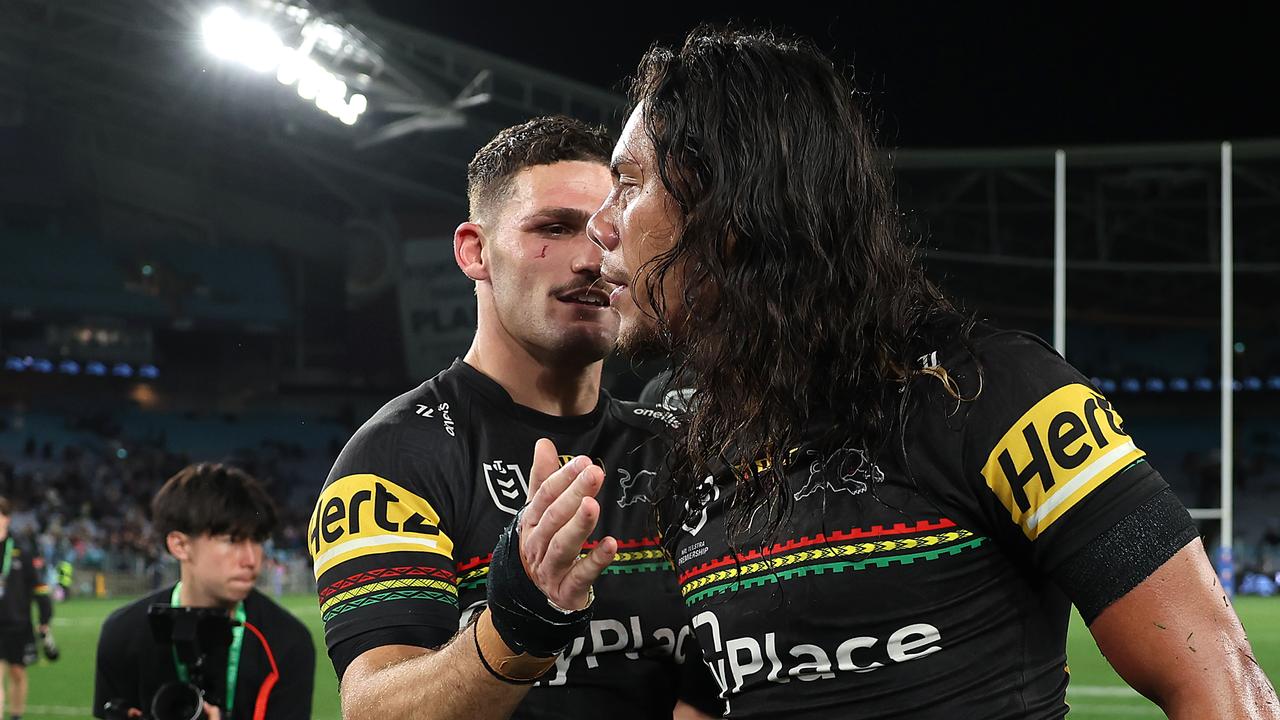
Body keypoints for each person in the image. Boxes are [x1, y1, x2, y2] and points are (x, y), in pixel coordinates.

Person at [584, 26, 1280, 719]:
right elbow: (711, 697)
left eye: (627, 184)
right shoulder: (680, 425)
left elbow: (1221, 686)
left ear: (728, 205)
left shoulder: (996, 393)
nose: (601, 224)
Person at [312, 115, 719, 720]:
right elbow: (374, 709)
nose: (591, 259)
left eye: (609, 231)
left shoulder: (681, 449)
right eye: (553, 228)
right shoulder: (394, 459)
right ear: (474, 251)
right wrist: (519, 624)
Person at [94, 463, 315, 720]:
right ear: (180, 545)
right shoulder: (122, 633)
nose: (251, 559)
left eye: (257, 540)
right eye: (232, 540)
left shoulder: (288, 641)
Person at [0, 498, 52, 720]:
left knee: (17, 673)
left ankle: (16, 716)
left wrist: (44, 617)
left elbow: (39, 587)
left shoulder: (22, 548)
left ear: (6, 518)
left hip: (18, 623)